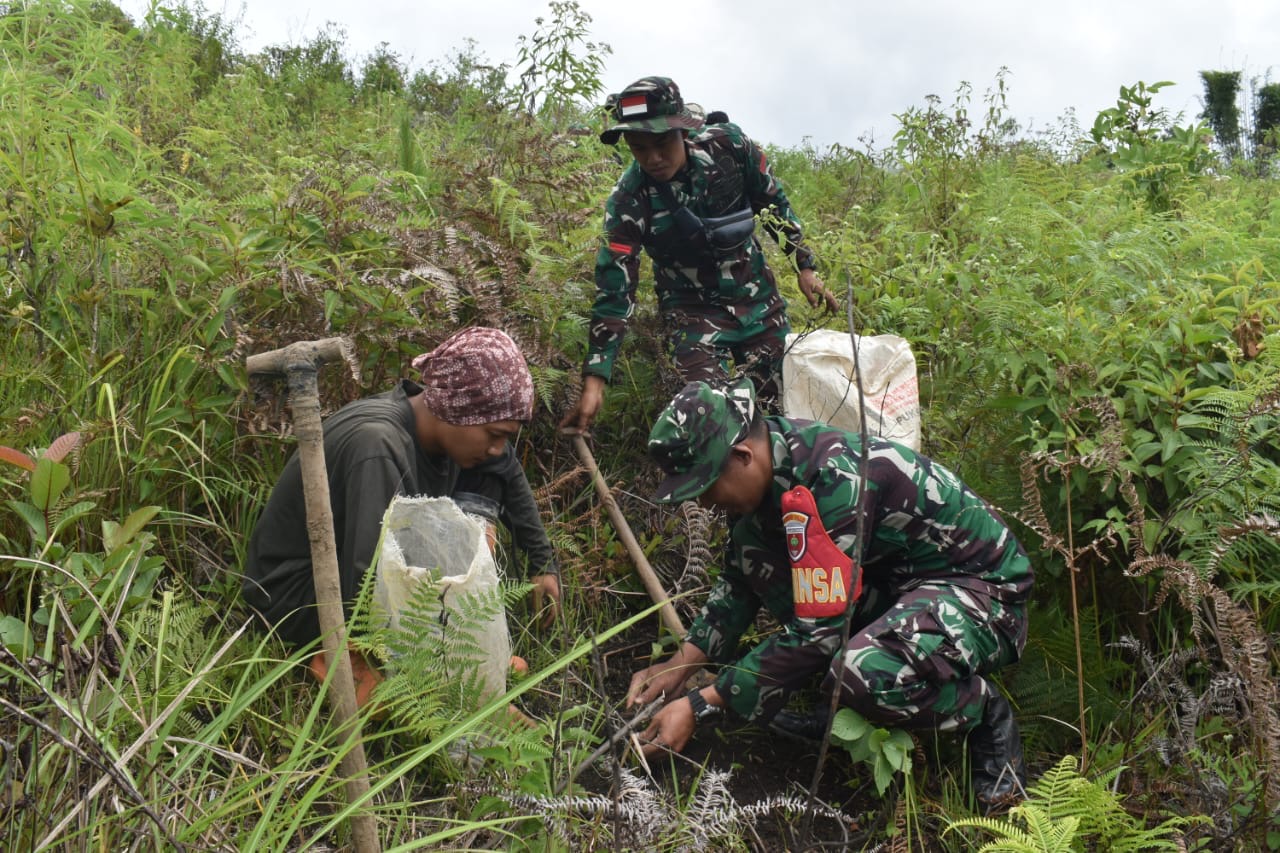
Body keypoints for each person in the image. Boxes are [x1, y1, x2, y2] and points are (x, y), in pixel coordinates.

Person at [627, 378, 1033, 809]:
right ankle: (839, 702)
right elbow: (740, 583)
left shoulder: (834, 479)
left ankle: (982, 712)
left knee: (862, 671)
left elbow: (817, 632)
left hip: (983, 594)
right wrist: (680, 664)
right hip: (901, 588)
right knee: (756, 556)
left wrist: (700, 704)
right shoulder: (771, 482)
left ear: (743, 456)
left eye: (707, 487)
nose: (706, 504)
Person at [242, 327, 562, 698]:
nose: (497, 447)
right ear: (458, 408)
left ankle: (446, 662)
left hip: (351, 564)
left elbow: (505, 469)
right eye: (494, 434)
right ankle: (343, 661)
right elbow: (367, 577)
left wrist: (543, 564)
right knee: (413, 696)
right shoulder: (379, 447)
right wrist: (443, 676)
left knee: (484, 481)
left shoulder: (437, 427)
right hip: (298, 596)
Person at [560, 76, 838, 435]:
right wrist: (596, 378)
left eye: (662, 144)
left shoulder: (731, 148)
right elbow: (615, 289)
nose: (653, 158)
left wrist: (805, 266)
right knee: (706, 418)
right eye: (639, 148)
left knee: (781, 418)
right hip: (691, 314)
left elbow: (773, 203)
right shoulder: (630, 200)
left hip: (758, 304)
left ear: (684, 132)